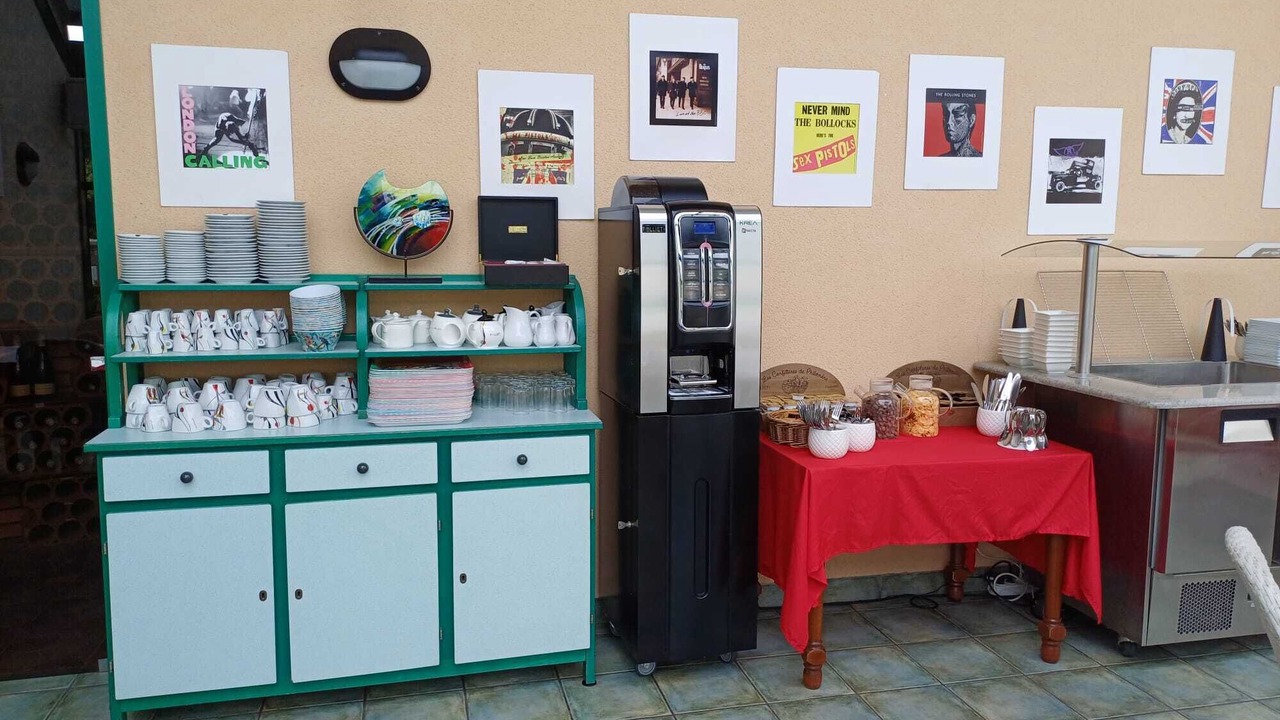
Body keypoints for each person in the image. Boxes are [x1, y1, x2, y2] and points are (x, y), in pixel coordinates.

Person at [201, 89, 261, 157]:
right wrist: (243, 142)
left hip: (232, 123)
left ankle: (252, 148)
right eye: (231, 132)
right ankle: (206, 149)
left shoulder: (234, 121)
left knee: (242, 138)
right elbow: (232, 139)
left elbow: (241, 124)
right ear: (227, 129)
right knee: (217, 139)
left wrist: (245, 135)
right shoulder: (222, 126)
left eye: (233, 131)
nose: (233, 133)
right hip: (219, 128)